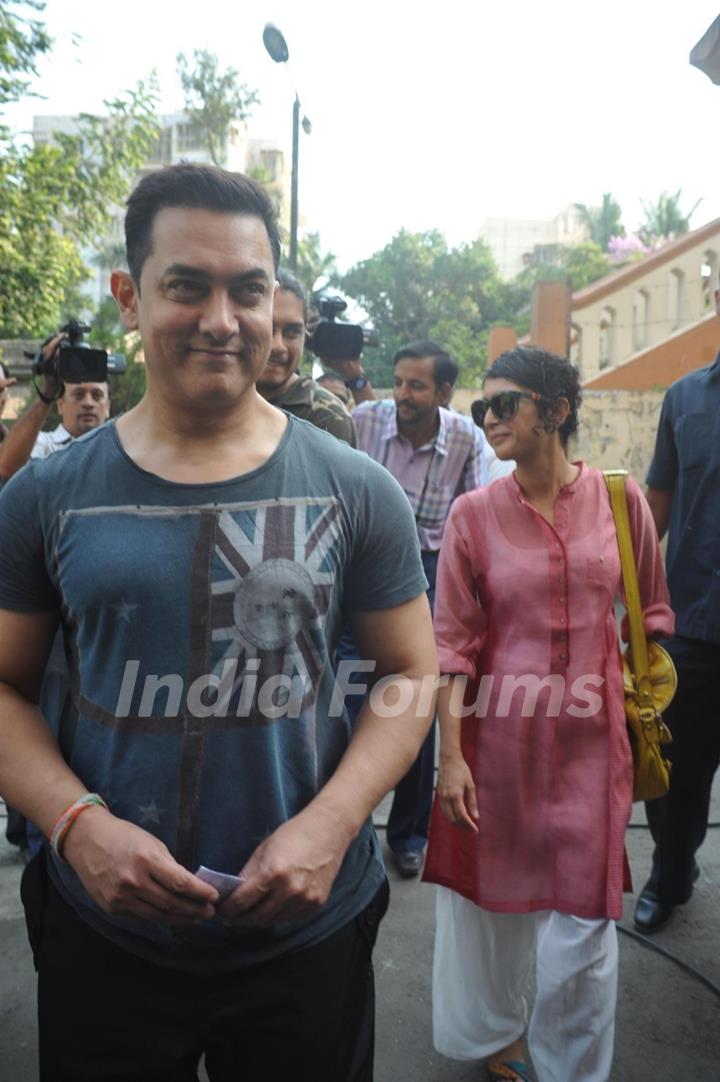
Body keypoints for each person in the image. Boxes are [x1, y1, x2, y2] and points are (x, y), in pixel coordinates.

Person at [0, 163, 438, 1082]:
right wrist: (75, 824)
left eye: (247, 290)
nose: (221, 319)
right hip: (104, 932)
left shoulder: (357, 490)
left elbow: (409, 673)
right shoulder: (45, 497)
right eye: (185, 286)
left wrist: (334, 823)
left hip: (306, 933)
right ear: (130, 296)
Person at [422, 346, 673, 1082]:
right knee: (489, 907)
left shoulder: (621, 503)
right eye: (481, 408)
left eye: (506, 403)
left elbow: (651, 613)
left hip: (596, 745)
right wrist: (450, 756)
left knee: (585, 922)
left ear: (557, 410)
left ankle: (571, 1067)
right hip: (496, 739)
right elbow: (451, 646)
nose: (489, 418)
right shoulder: (473, 516)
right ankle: (495, 1036)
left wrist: (642, 696)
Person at [329, 342, 512, 878]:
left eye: (416, 386)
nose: (402, 395)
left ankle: (408, 834)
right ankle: (342, 824)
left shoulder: (465, 437)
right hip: (358, 564)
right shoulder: (362, 420)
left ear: (445, 393)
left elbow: (472, 515)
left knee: (414, 698)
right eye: (399, 382)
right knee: (344, 694)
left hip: (426, 568)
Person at [633, 271, 720, 933]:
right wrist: (622, 598)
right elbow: (655, 504)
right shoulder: (686, 399)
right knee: (673, 769)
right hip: (692, 623)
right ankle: (669, 873)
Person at [256, 269, 357, 445]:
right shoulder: (217, 399)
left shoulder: (326, 418)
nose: (278, 346)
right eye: (267, 328)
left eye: (292, 332)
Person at [0, 349, 110, 482]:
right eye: (78, 395)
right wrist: (47, 390)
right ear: (60, 405)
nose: (88, 403)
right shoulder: (37, 445)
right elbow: (7, 468)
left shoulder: (122, 450)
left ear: (108, 406)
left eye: (96, 395)